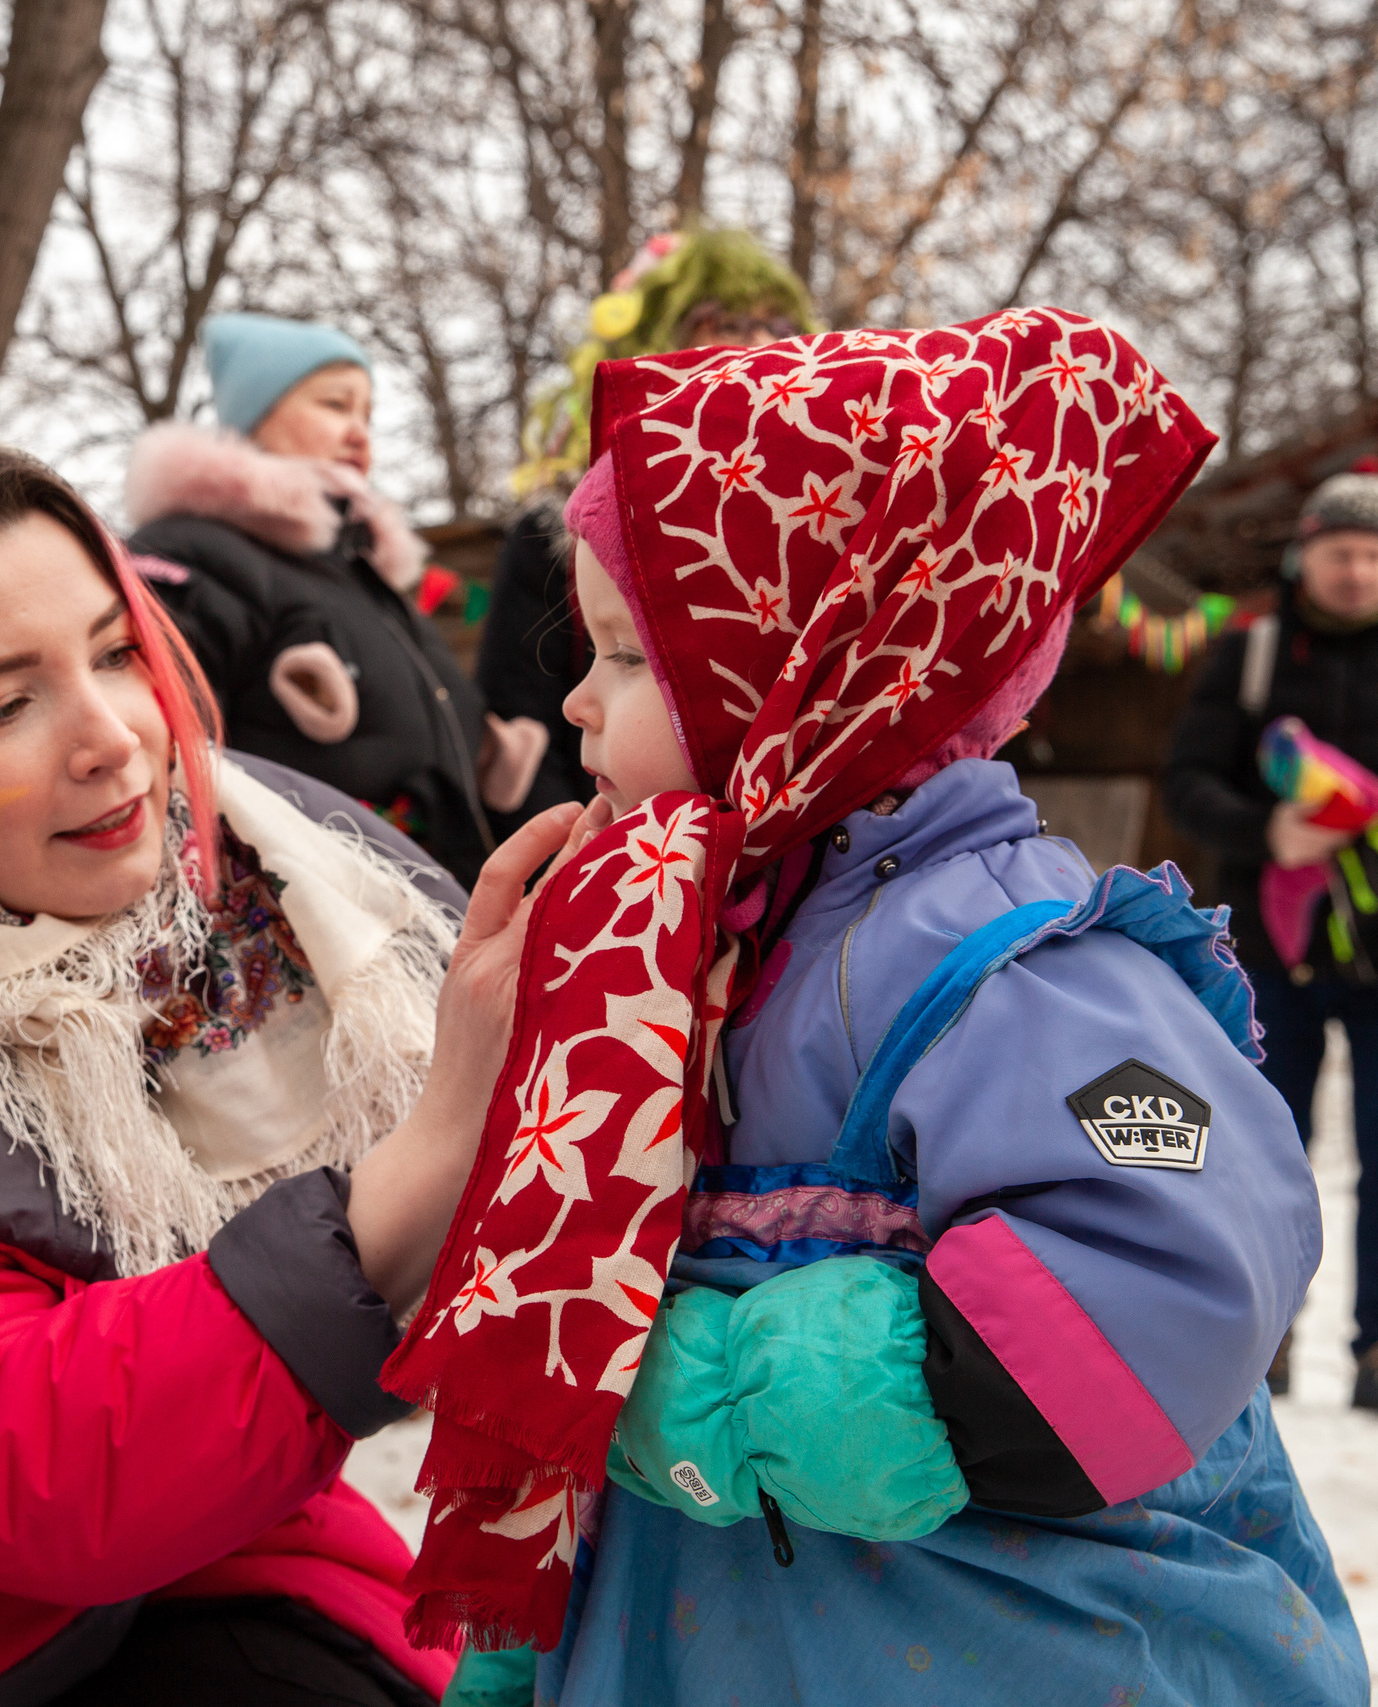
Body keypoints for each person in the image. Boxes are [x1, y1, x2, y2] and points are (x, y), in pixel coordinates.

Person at [392, 310, 1358, 1704]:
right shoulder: (692, 944)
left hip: (1014, 1645)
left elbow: (1176, 1265)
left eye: (619, 654)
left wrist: (713, 1384)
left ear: (798, 676)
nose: (577, 704)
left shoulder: (1002, 962)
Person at [0, 430, 604, 1705]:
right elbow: (21, 1465)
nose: (112, 740)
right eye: (0, 705)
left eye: (115, 651)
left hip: (231, 1536)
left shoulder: (263, 880)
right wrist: (402, 1192)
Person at [125, 312, 542, 885]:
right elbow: (167, 770)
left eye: (368, 413)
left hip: (436, 906)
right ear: (254, 416)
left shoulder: (359, 570)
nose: (359, 431)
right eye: (335, 405)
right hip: (318, 923)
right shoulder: (192, 553)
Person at [476, 229, 820, 837]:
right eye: (728, 320)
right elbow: (524, 724)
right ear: (655, 337)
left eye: (781, 322)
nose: (763, 341)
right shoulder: (556, 532)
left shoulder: (813, 516)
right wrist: (588, 865)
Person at [1164, 466, 1378, 1410]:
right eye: (1342, 550)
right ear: (1307, 553)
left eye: (1375, 554)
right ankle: (1261, 1337)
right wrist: (1268, 834)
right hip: (1265, 956)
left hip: (1377, 949)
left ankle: (1376, 1352)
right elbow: (1189, 781)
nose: (1359, 569)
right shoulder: (1251, 654)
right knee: (1263, 1149)